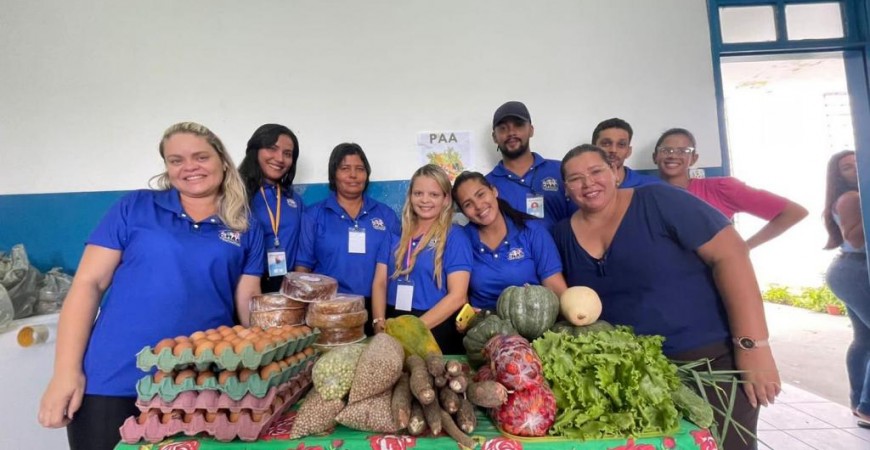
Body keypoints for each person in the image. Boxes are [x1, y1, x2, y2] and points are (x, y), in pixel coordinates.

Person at [37, 122, 264, 450]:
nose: (189, 167)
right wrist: (65, 372)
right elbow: (88, 284)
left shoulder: (245, 224)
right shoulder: (135, 208)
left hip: (200, 383)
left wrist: (277, 348)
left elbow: (248, 300)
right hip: (116, 376)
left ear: (223, 162)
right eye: (176, 160)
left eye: (200, 157)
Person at [553, 144, 780, 450]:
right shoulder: (562, 234)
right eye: (575, 178)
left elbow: (731, 254)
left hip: (709, 364)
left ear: (616, 172)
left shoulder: (659, 200)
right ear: (566, 189)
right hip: (635, 379)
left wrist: (754, 347)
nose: (588, 183)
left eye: (596, 171)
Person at [295, 143, 399, 334]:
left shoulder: (386, 215)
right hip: (328, 309)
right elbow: (303, 269)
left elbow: (399, 266)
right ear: (333, 174)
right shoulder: (314, 215)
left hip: (377, 309)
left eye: (359, 169)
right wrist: (303, 315)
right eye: (345, 169)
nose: (353, 175)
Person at [372, 164, 472, 354]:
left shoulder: (455, 236)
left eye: (434, 194)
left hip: (435, 327)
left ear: (446, 199)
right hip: (393, 321)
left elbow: (457, 296)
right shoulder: (395, 233)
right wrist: (378, 322)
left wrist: (412, 331)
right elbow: (380, 282)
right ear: (410, 196)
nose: (425, 200)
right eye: (418, 193)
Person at [655, 127, 807, 249]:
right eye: (666, 150)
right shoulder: (641, 194)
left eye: (683, 151)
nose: (673, 155)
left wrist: (743, 249)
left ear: (694, 159)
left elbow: (793, 212)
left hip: (712, 280)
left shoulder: (721, 189)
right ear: (655, 156)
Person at [452, 171, 567, 310]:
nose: (478, 206)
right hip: (484, 325)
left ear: (494, 191)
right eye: (468, 204)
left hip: (534, 323)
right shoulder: (461, 240)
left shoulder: (532, 231)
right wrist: (468, 314)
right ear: (463, 212)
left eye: (481, 194)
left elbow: (555, 287)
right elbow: (458, 296)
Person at [823, 150, 870, 427]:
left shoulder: (850, 197)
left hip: (848, 269)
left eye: (858, 164)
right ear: (838, 175)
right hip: (856, 269)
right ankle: (866, 406)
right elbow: (855, 236)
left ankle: (859, 404)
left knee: (864, 340)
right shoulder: (852, 198)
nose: (855, 169)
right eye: (847, 167)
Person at [485, 101, 575, 231]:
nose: (511, 132)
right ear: (494, 137)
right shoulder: (487, 186)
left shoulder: (561, 170)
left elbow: (584, 216)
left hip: (563, 250)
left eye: (518, 125)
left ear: (531, 130)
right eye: (503, 128)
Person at [238, 124, 305, 293]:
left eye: (287, 154)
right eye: (272, 149)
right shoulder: (235, 194)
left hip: (285, 286)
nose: (280, 158)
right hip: (245, 283)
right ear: (255, 151)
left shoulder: (294, 200)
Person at [591, 118, 662, 188]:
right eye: (606, 143)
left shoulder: (652, 185)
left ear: (628, 151)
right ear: (592, 149)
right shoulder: (584, 187)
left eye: (621, 144)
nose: (613, 150)